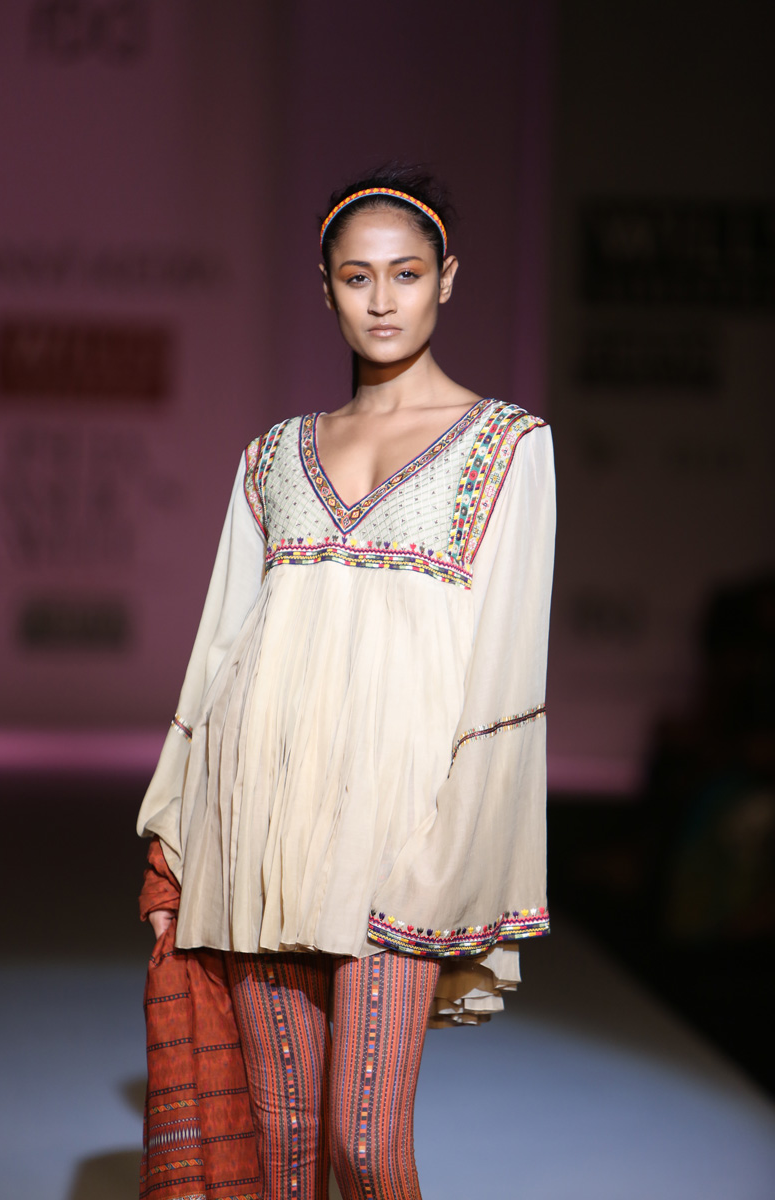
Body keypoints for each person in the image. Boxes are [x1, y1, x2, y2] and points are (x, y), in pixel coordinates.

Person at [137, 164, 556, 1200]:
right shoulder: (272, 457)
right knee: (285, 1152)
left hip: (399, 829)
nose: (381, 300)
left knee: (364, 1147)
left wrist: (449, 853)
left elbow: (506, 665)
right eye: (356, 276)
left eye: (405, 273)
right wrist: (175, 832)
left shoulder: (507, 446)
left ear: (446, 279)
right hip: (259, 826)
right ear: (323, 287)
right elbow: (219, 650)